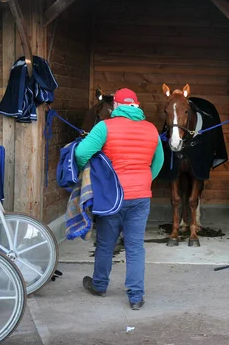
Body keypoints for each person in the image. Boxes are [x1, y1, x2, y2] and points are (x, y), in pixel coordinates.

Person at [74, 88, 164, 309]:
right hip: (141, 196)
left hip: (112, 195)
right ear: (137, 105)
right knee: (135, 246)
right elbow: (159, 161)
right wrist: (144, 180)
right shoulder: (151, 129)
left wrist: (92, 174)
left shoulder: (104, 127)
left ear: (116, 105)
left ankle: (100, 285)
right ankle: (135, 297)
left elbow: (80, 153)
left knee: (106, 243)